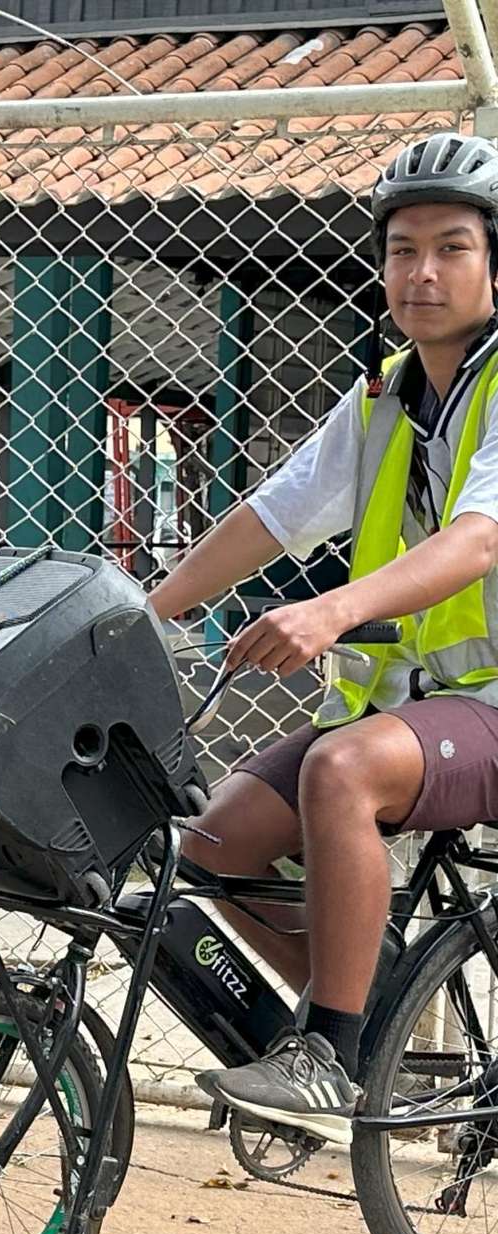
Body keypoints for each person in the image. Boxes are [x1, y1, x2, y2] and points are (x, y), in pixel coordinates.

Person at [149, 132, 498, 1146]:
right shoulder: (387, 397)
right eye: (401, 249)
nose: (420, 272)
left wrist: (332, 610)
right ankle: (379, 1007)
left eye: (452, 247)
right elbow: (268, 517)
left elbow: (478, 542)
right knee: (213, 845)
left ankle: (328, 1056)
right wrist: (138, 615)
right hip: (420, 707)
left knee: (339, 771)